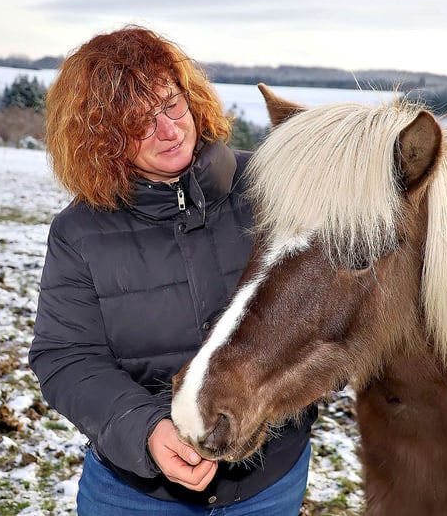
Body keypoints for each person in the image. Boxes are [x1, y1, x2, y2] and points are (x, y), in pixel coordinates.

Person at [28, 25, 316, 515]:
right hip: (136, 494)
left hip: (268, 484)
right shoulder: (79, 234)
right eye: (138, 122)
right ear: (101, 139)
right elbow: (66, 357)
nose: (169, 129)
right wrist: (147, 430)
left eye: (171, 104)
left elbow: (336, 302)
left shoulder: (274, 188)